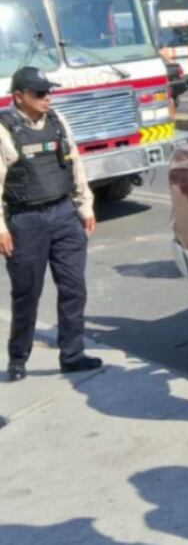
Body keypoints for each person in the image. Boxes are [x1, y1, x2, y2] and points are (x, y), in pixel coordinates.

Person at [3, 66, 100, 382]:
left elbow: (76, 165)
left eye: (49, 91)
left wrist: (85, 207)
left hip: (63, 215)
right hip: (25, 220)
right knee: (27, 293)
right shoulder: (4, 129)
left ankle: (72, 355)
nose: (48, 97)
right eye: (40, 93)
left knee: (74, 288)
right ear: (19, 97)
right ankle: (18, 358)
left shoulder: (58, 122)